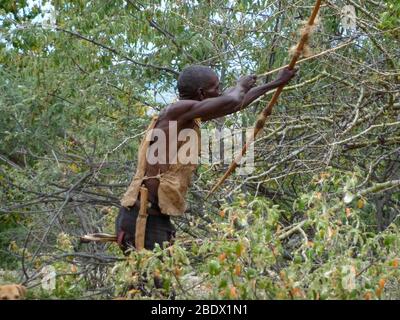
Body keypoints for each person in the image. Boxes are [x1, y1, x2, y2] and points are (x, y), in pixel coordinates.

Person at [115, 65, 297, 254]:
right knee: (148, 282)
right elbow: (232, 100)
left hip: (150, 217)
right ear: (201, 93)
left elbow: (234, 104)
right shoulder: (178, 110)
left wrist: (275, 83)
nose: (219, 92)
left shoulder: (188, 113)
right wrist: (242, 85)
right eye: (216, 88)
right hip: (142, 218)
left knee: (154, 280)